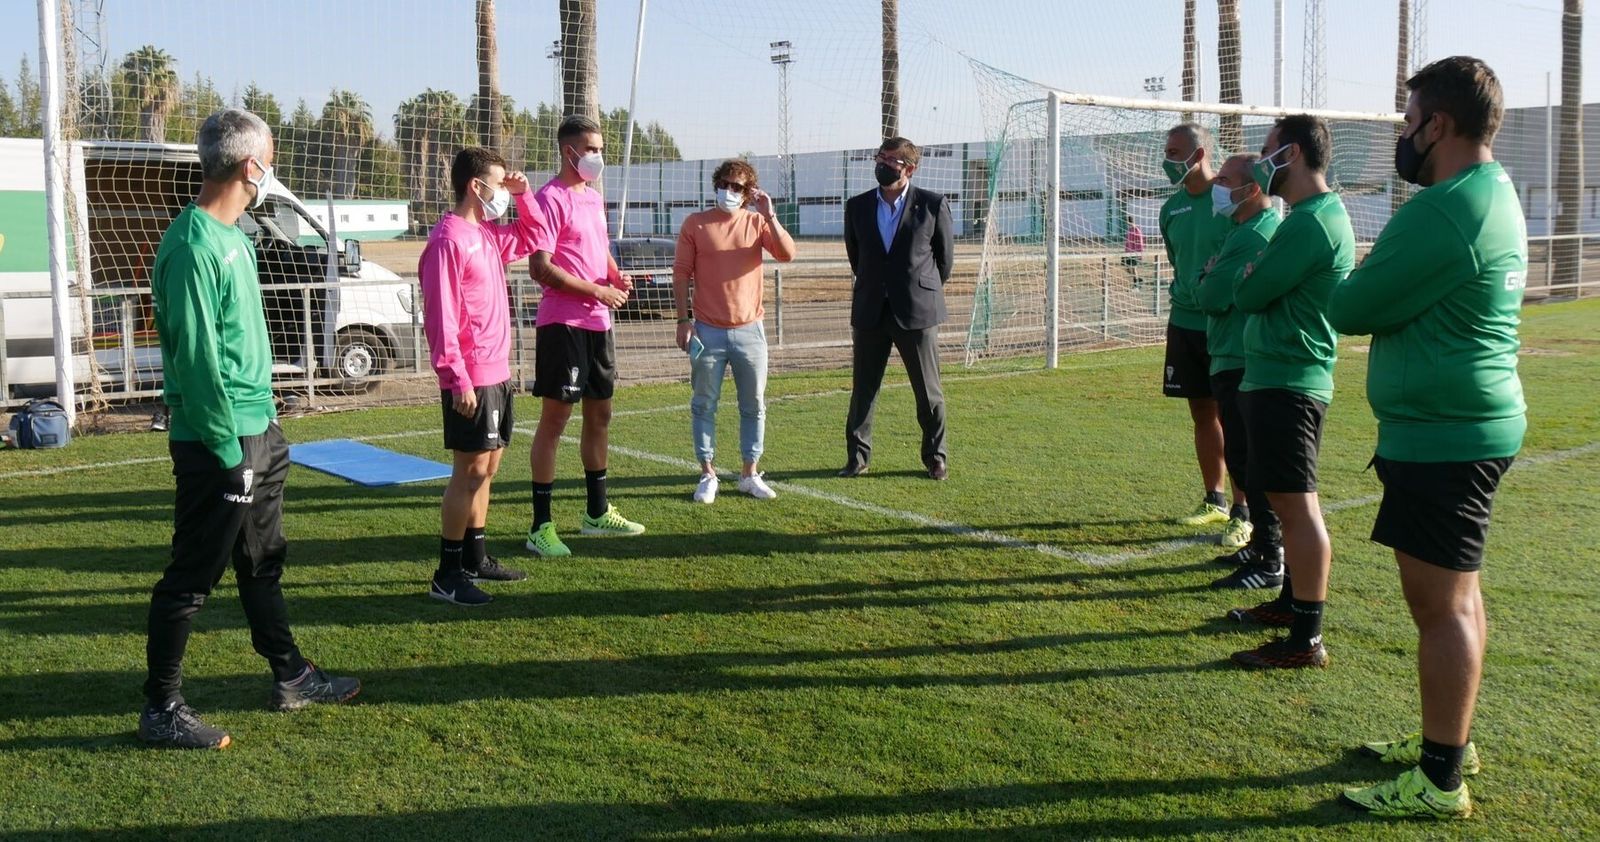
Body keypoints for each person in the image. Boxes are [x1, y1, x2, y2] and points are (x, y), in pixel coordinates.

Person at [1330, 57, 1526, 820]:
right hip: (1469, 422)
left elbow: (1353, 305)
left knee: (1439, 608)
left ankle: (1442, 780)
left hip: (1446, 435)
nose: (1405, 136)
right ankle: (1452, 742)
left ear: (1438, 125)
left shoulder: (1442, 208)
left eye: (1409, 122)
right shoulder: (1494, 190)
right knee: (1461, 595)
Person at [140, 109, 358, 750]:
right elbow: (198, 360)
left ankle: (290, 675)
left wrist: (261, 429)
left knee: (263, 561)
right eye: (269, 157)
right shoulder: (190, 246)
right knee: (192, 575)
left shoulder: (237, 237)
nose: (272, 168)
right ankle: (161, 707)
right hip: (221, 441)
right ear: (248, 167)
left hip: (259, 429)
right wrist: (226, 447)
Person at [1225, 114, 1354, 670]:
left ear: (1292, 154)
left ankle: (1307, 638)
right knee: (1281, 497)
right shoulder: (1306, 217)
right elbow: (1252, 284)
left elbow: (1249, 293)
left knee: (1298, 508)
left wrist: (1248, 274)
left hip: (1291, 378)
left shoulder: (1310, 223)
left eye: (1267, 149)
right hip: (1277, 375)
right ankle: (1288, 605)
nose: (1259, 159)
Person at [418, 147, 543, 606]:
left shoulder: (486, 235)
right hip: (471, 377)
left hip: (498, 373)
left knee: (488, 469)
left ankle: (476, 557)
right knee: (467, 474)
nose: (503, 192)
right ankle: (447, 575)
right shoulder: (448, 240)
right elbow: (442, 316)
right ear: (476, 186)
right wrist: (458, 379)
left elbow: (533, 236)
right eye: (498, 183)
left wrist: (524, 194)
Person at [525, 115, 646, 558]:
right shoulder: (547, 200)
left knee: (601, 415)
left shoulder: (593, 199)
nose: (597, 156)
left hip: (599, 325)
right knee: (554, 423)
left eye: (600, 148)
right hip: (564, 325)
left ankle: (597, 514)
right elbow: (542, 268)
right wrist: (597, 289)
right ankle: (540, 526)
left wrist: (615, 275)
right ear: (568, 151)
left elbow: (597, 250)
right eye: (591, 148)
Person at [673, 159, 797, 503]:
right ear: (716, 184)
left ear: (748, 192)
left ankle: (749, 473)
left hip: (750, 332)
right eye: (725, 184)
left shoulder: (758, 222)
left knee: (754, 405)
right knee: (703, 405)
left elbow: (787, 254)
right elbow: (681, 273)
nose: (729, 191)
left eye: (738, 187)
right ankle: (707, 473)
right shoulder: (695, 224)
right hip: (706, 332)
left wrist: (769, 214)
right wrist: (683, 320)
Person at [1193, 153, 1286, 587]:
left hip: (1242, 356)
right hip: (1231, 353)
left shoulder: (1253, 236)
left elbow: (1209, 295)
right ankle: (1261, 547)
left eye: (1225, 179)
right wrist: (1207, 279)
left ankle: (1270, 556)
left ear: (1250, 190)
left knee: (1253, 459)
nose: (1217, 185)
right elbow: (1209, 284)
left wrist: (1206, 279)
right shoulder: (1242, 230)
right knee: (1246, 457)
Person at [840, 136, 954, 480]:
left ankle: (935, 457)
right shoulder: (857, 205)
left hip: (917, 311)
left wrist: (916, 288)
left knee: (927, 390)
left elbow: (943, 260)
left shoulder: (932, 204)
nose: (883, 165)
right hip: (871, 309)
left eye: (892, 161)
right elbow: (856, 257)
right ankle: (857, 458)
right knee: (863, 390)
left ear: (910, 168)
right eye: (880, 157)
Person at [1158, 123, 1245, 533]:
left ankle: (1245, 511)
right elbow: (1179, 261)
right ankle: (1215, 498)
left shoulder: (1228, 203)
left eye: (1175, 153)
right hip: (1185, 322)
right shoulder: (1169, 209)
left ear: (1199, 155)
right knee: (1202, 411)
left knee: (1236, 415)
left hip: (1225, 324)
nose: (1167, 160)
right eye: (1167, 152)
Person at [1122, 211, 1146, 289]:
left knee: (1133, 268)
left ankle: (1136, 284)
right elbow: (1127, 242)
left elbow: (1140, 242)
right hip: (1128, 252)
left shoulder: (1136, 230)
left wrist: (1140, 253)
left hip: (1135, 252)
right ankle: (1138, 279)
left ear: (1129, 221)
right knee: (1127, 268)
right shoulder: (1129, 230)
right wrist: (1125, 251)